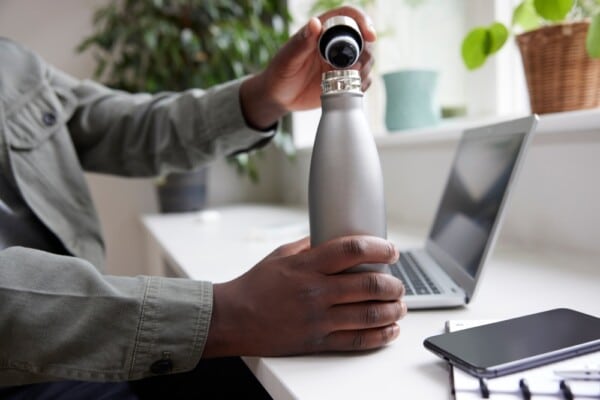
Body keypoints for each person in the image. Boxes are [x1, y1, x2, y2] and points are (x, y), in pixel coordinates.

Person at [0, 5, 406, 399]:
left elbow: (127, 125)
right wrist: (227, 313)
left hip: (92, 342)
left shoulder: (11, 62)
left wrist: (265, 94)